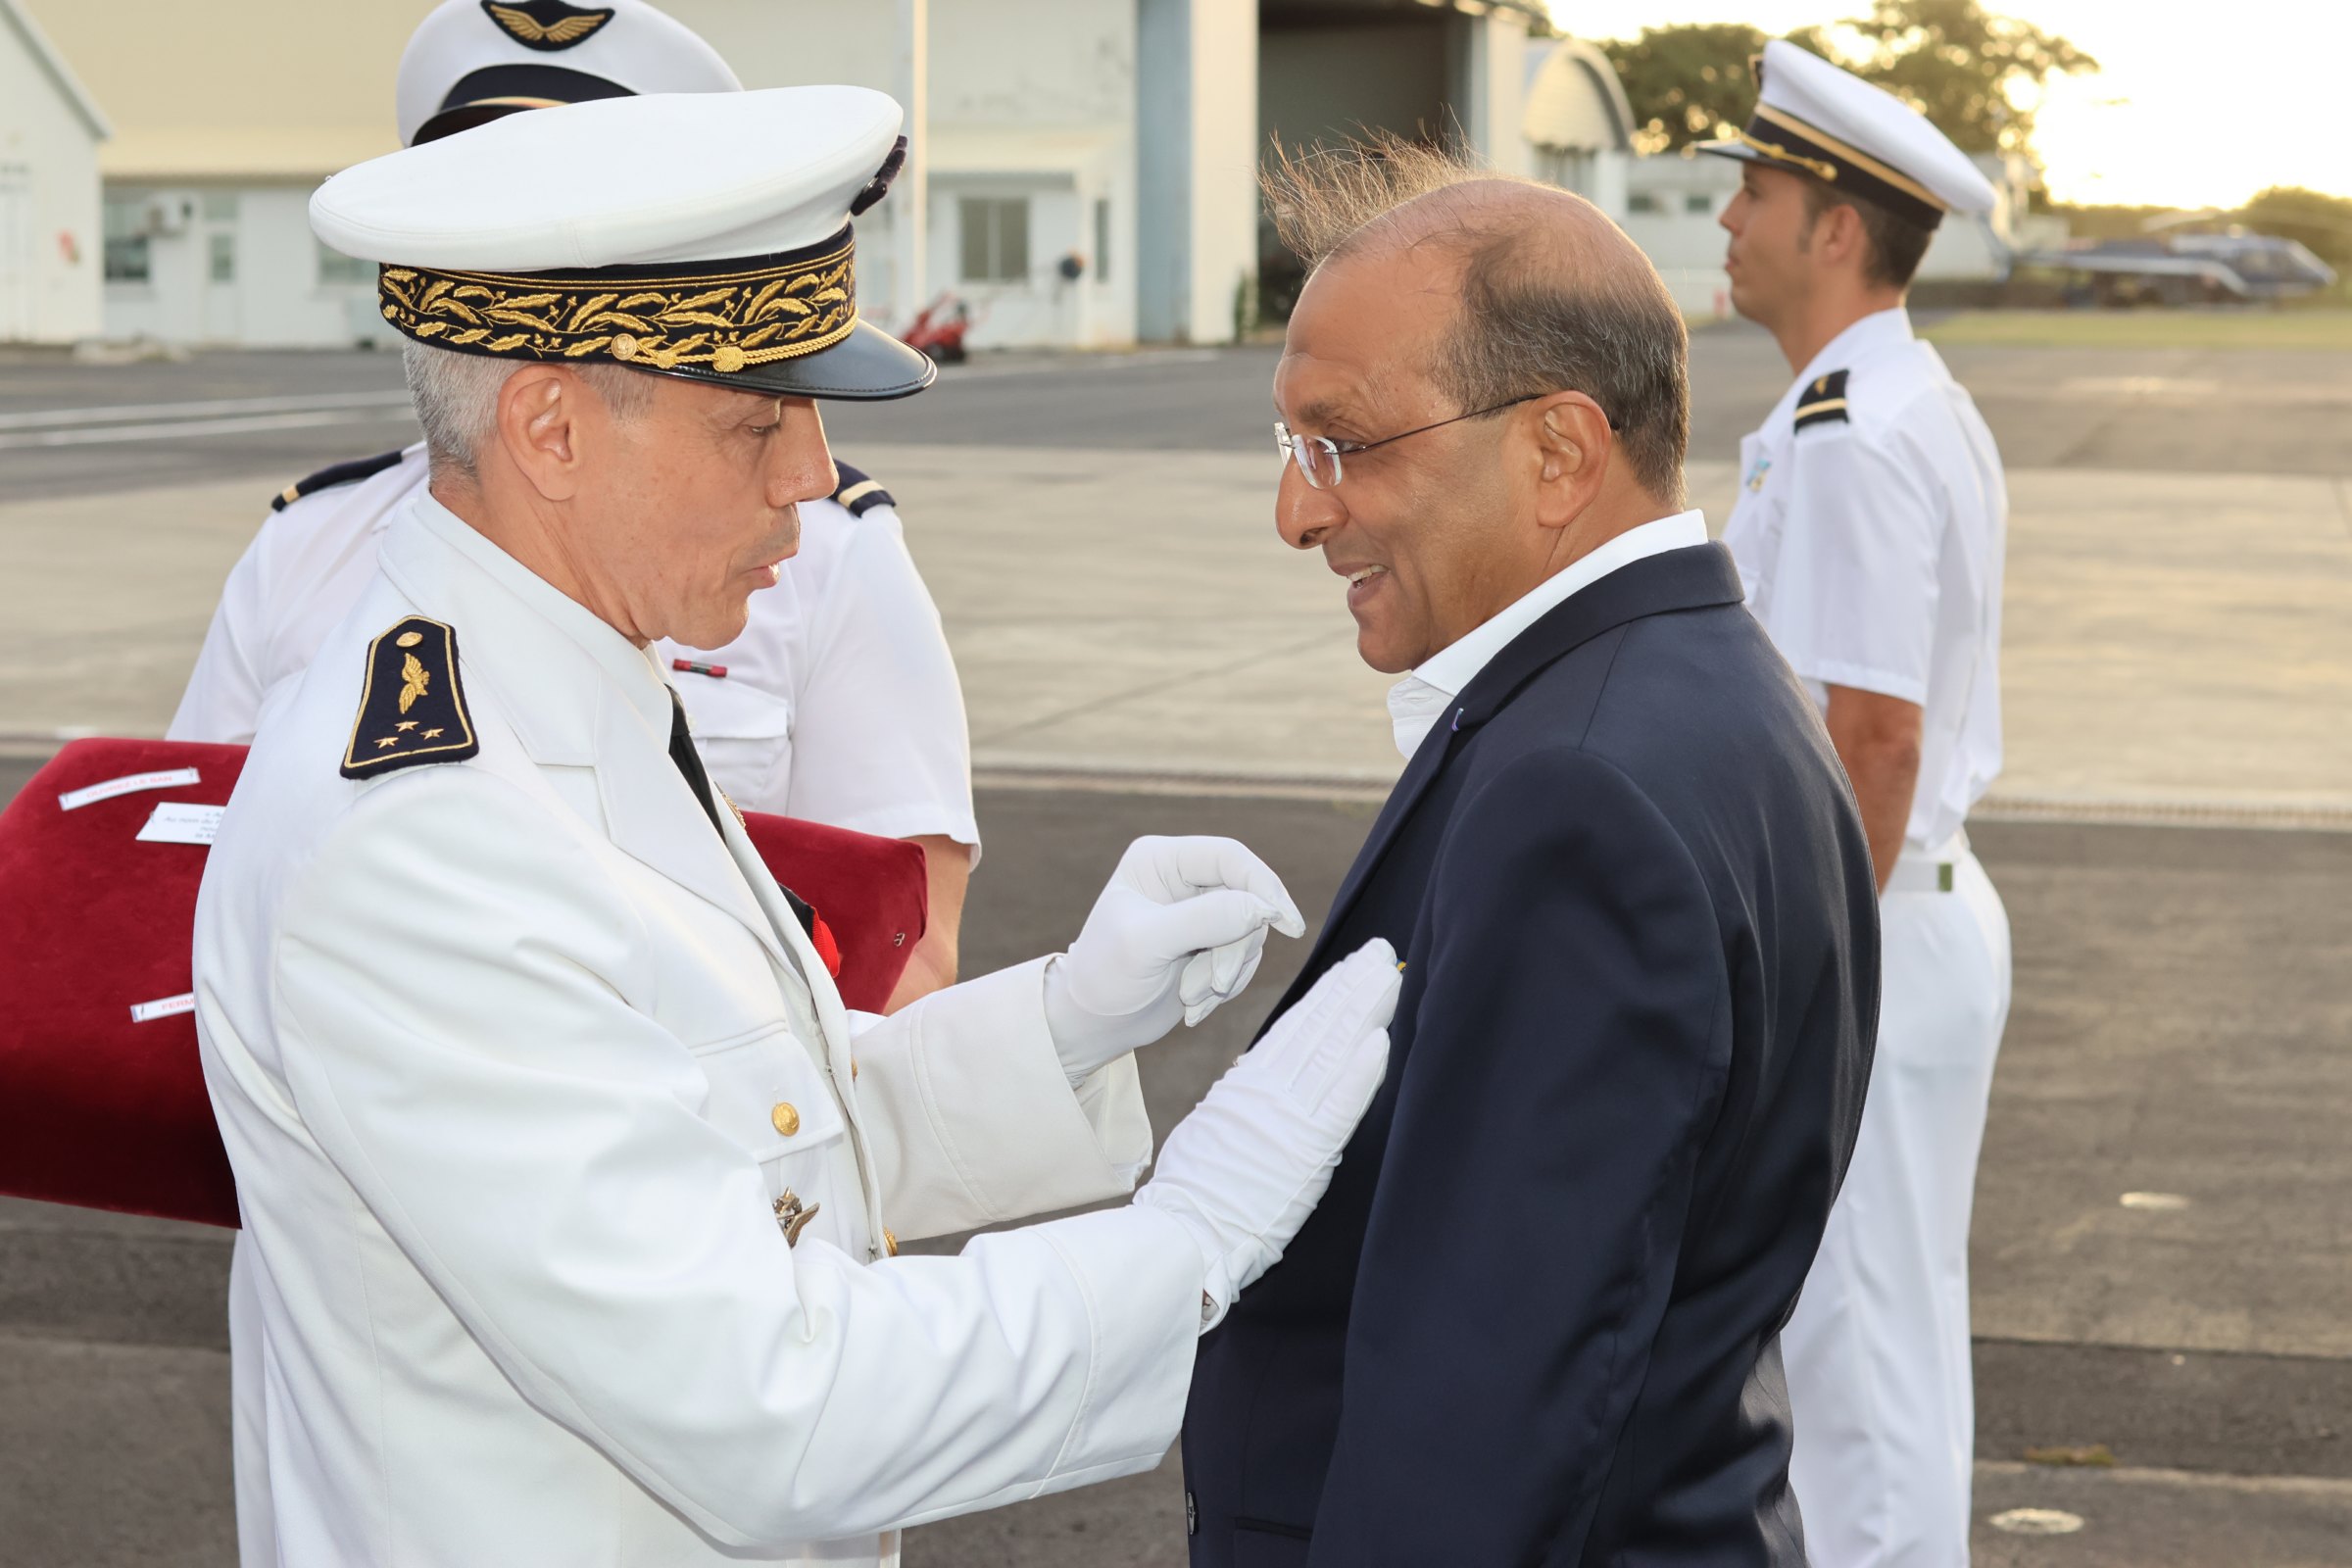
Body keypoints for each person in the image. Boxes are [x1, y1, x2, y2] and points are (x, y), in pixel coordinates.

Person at [193, 85, 1400, 1568]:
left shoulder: (563, 679)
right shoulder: (419, 840)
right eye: (756, 420)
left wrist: (1065, 1030)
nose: (814, 478)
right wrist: (1184, 1248)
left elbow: (745, 1148)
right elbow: (769, 1406)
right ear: (551, 428)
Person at [1178, 141, 1880, 1566]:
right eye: (1289, 445)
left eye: (1345, 441)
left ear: (1558, 452)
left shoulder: (1578, 792)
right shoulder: (1702, 693)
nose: (1296, 511)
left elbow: (1480, 1412)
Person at [169, 0, 976, 1008]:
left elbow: (903, 950)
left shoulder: (824, 560)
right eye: (759, 416)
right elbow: (181, 899)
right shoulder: (307, 553)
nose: (807, 474)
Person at [1706, 41, 2014, 1567]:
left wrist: (1816, 979)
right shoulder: (1887, 405)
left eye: (1753, 193)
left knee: (1859, 1367)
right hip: (1910, 911)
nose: (1727, 222)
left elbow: (1872, 735)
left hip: (1876, 920)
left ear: (1835, 226)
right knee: (1878, 1340)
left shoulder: (1852, 438)